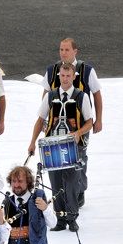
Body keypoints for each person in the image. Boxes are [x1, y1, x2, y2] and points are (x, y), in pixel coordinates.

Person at [28, 62, 94, 232]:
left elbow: (89, 122)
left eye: (68, 76)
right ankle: (60, 219)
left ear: (73, 77)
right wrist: (32, 142)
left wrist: (79, 132)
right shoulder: (50, 96)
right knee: (56, 182)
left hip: (73, 146)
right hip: (53, 146)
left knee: (72, 182)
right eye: (62, 76)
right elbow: (40, 120)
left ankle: (72, 217)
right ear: (59, 77)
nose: (65, 79)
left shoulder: (81, 97)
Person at [43, 38, 104, 206]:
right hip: (56, 124)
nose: (63, 53)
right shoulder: (52, 70)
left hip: (81, 124)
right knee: (58, 155)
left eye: (67, 50)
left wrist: (99, 119)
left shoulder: (87, 70)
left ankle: (79, 190)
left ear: (75, 51)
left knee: (80, 157)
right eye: (61, 49)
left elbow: (97, 94)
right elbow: (46, 94)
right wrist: (45, 120)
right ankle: (63, 190)